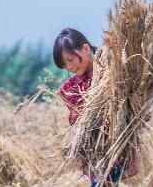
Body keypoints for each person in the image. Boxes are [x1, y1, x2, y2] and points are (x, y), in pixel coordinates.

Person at [53, 28, 137, 187]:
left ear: (85, 49)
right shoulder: (71, 88)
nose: (69, 67)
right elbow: (78, 123)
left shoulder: (110, 71)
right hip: (94, 153)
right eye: (65, 65)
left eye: (70, 60)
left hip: (117, 144)